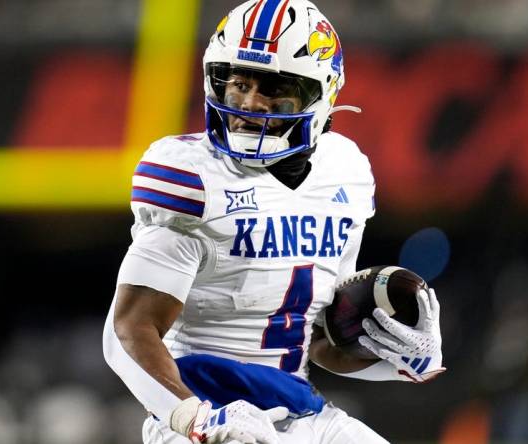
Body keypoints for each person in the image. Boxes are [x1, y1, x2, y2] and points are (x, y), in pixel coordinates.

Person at [102, 1, 445, 442]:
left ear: (321, 94)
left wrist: (399, 360)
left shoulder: (345, 171)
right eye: (240, 83)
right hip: (206, 408)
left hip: (303, 410)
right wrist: (195, 418)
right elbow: (128, 330)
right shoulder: (192, 177)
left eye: (275, 87)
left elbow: (320, 339)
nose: (249, 103)